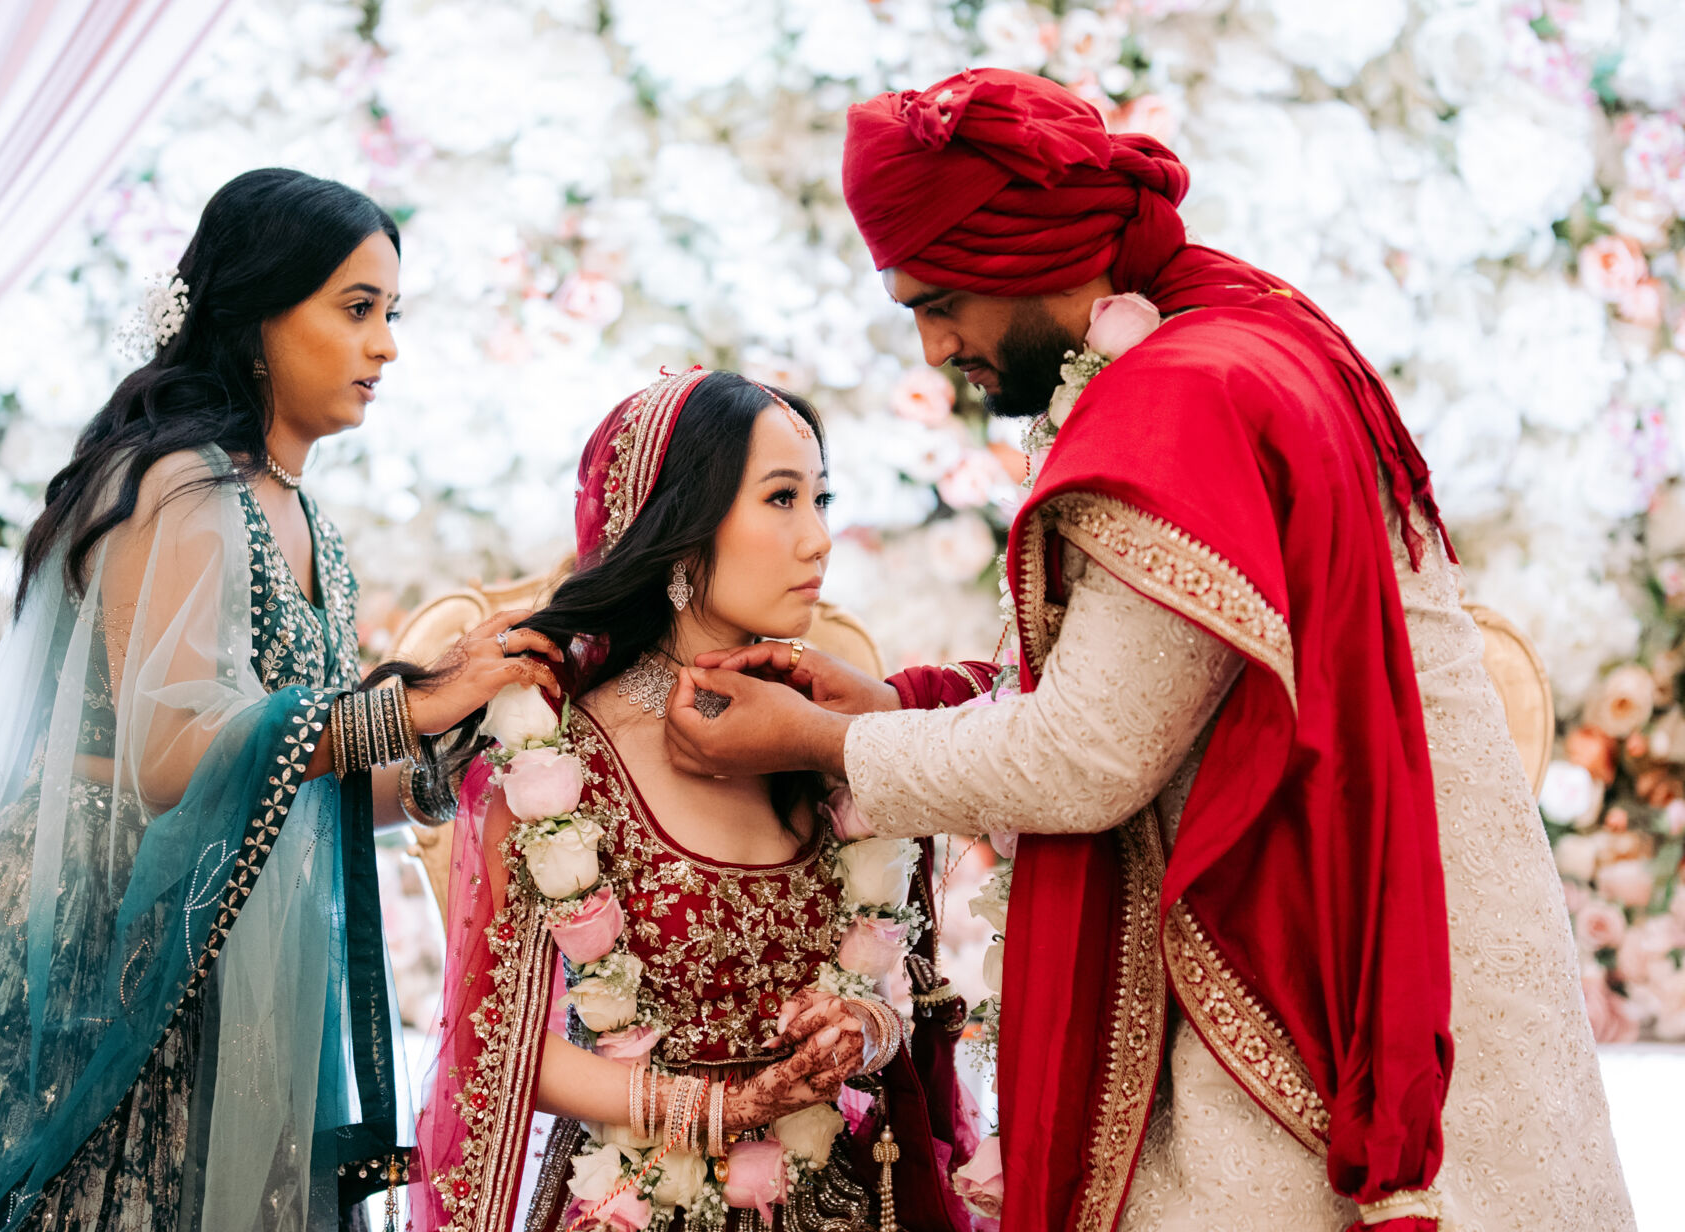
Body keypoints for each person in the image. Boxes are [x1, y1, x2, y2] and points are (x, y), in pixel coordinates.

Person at [660, 71, 1634, 1231]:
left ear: (1023, 256)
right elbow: (1159, 677)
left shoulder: (1183, 402)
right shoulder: (1235, 324)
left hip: (1307, 975)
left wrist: (828, 740)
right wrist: (895, 704)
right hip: (1402, 922)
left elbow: (1088, 756)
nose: (933, 347)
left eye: (943, 302)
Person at [0, 168, 558, 1232]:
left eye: (392, 314)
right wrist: (410, 705)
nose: (386, 346)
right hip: (101, 928)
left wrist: (461, 749)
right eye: (357, 308)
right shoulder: (182, 484)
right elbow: (171, 753)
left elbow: (304, 779)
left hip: (221, 933)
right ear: (258, 312)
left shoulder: (305, 520)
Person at [411, 368, 980, 1232]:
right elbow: (499, 1047)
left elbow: (905, 983)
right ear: (679, 535)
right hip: (641, 1192)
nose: (820, 539)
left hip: (841, 1190)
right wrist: (719, 1110)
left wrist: (866, 1027)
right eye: (782, 499)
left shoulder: (828, 731)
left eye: (822, 499)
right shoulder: (558, 761)